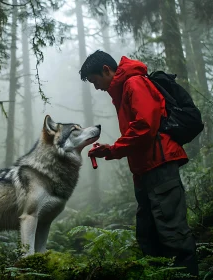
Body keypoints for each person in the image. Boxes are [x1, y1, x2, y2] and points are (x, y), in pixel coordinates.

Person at [80, 50, 199, 278]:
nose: (96, 88)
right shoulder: (123, 90)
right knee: (149, 236)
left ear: (106, 70)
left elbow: (145, 128)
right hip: (145, 171)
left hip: (160, 166)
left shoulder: (134, 84)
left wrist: (113, 149)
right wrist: (112, 150)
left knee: (173, 235)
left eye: (96, 81)